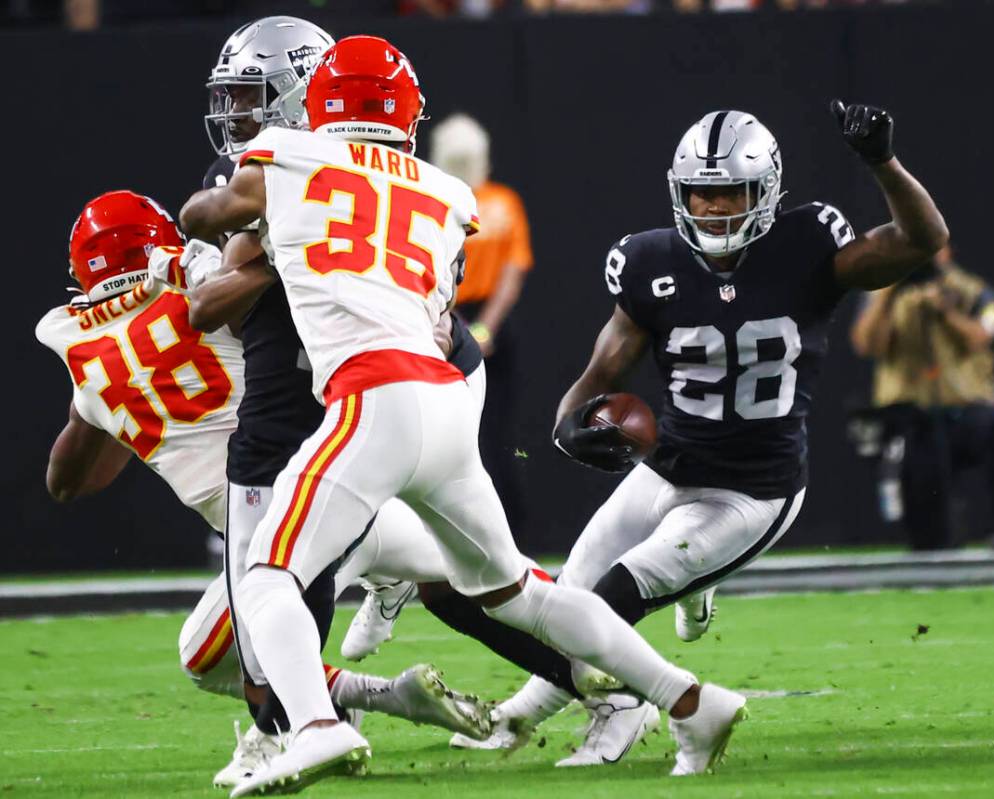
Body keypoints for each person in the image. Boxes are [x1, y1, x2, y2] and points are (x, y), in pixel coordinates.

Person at [182, 34, 748, 795]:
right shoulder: (448, 193)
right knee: (520, 592)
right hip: (446, 400)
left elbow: (198, 213)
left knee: (266, 575)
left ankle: (314, 727)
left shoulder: (287, 158)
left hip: (371, 396)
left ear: (315, 103)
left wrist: (258, 225)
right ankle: (690, 697)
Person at [466, 102, 949, 765]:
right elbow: (601, 370)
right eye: (702, 191)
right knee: (565, 600)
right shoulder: (651, 262)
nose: (716, 206)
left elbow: (922, 240)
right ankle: (530, 712)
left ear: (767, 191)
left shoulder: (807, 246)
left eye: (731, 192)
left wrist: (882, 162)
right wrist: (567, 423)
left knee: (611, 601)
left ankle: (609, 713)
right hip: (668, 465)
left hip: (751, 489)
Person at [35, 190, 492, 789]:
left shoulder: (81, 347)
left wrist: (104, 403)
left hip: (292, 505)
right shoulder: (199, 293)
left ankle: (293, 728)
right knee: (490, 578)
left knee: (223, 659)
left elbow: (66, 483)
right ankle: (386, 694)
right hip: (336, 477)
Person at [849, 245, 994, 549]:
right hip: (912, 412)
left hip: (966, 407)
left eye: (929, 250)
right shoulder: (884, 294)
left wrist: (948, 312)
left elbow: (982, 336)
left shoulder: (973, 290)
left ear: (946, 252)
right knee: (921, 488)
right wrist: (889, 294)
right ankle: (927, 542)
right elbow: (866, 345)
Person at [429, 113, 534, 539]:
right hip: (472, 322)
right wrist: (484, 330)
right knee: (487, 437)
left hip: (446, 319)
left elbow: (433, 270)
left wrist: (462, 328)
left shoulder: (436, 200)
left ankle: (488, 537)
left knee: (472, 438)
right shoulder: (502, 203)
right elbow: (513, 273)